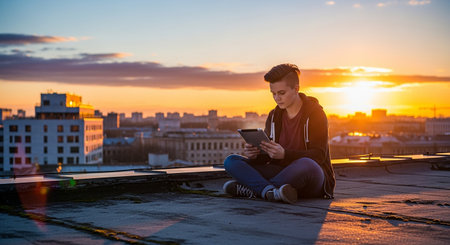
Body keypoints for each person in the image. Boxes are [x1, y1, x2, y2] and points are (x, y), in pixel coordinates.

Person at [223, 63, 335, 204]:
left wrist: (285, 154)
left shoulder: (315, 114)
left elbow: (319, 156)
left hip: (311, 176)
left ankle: (256, 189)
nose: (277, 98)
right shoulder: (274, 116)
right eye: (273, 94)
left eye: (281, 93)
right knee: (231, 161)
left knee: (306, 164)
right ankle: (272, 192)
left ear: (296, 89)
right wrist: (256, 155)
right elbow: (267, 157)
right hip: (281, 172)